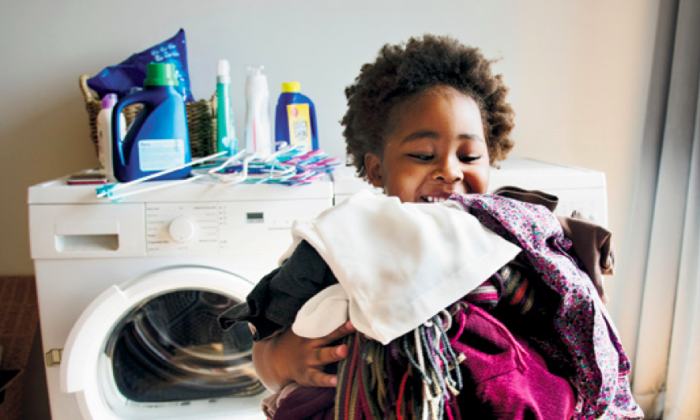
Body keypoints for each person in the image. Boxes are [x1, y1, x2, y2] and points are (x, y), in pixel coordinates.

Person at [220, 34, 642, 419]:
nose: (449, 171)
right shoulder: (348, 237)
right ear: (377, 169)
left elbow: (561, 328)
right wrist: (284, 359)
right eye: (423, 155)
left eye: (469, 156)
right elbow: (267, 343)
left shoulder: (504, 236)